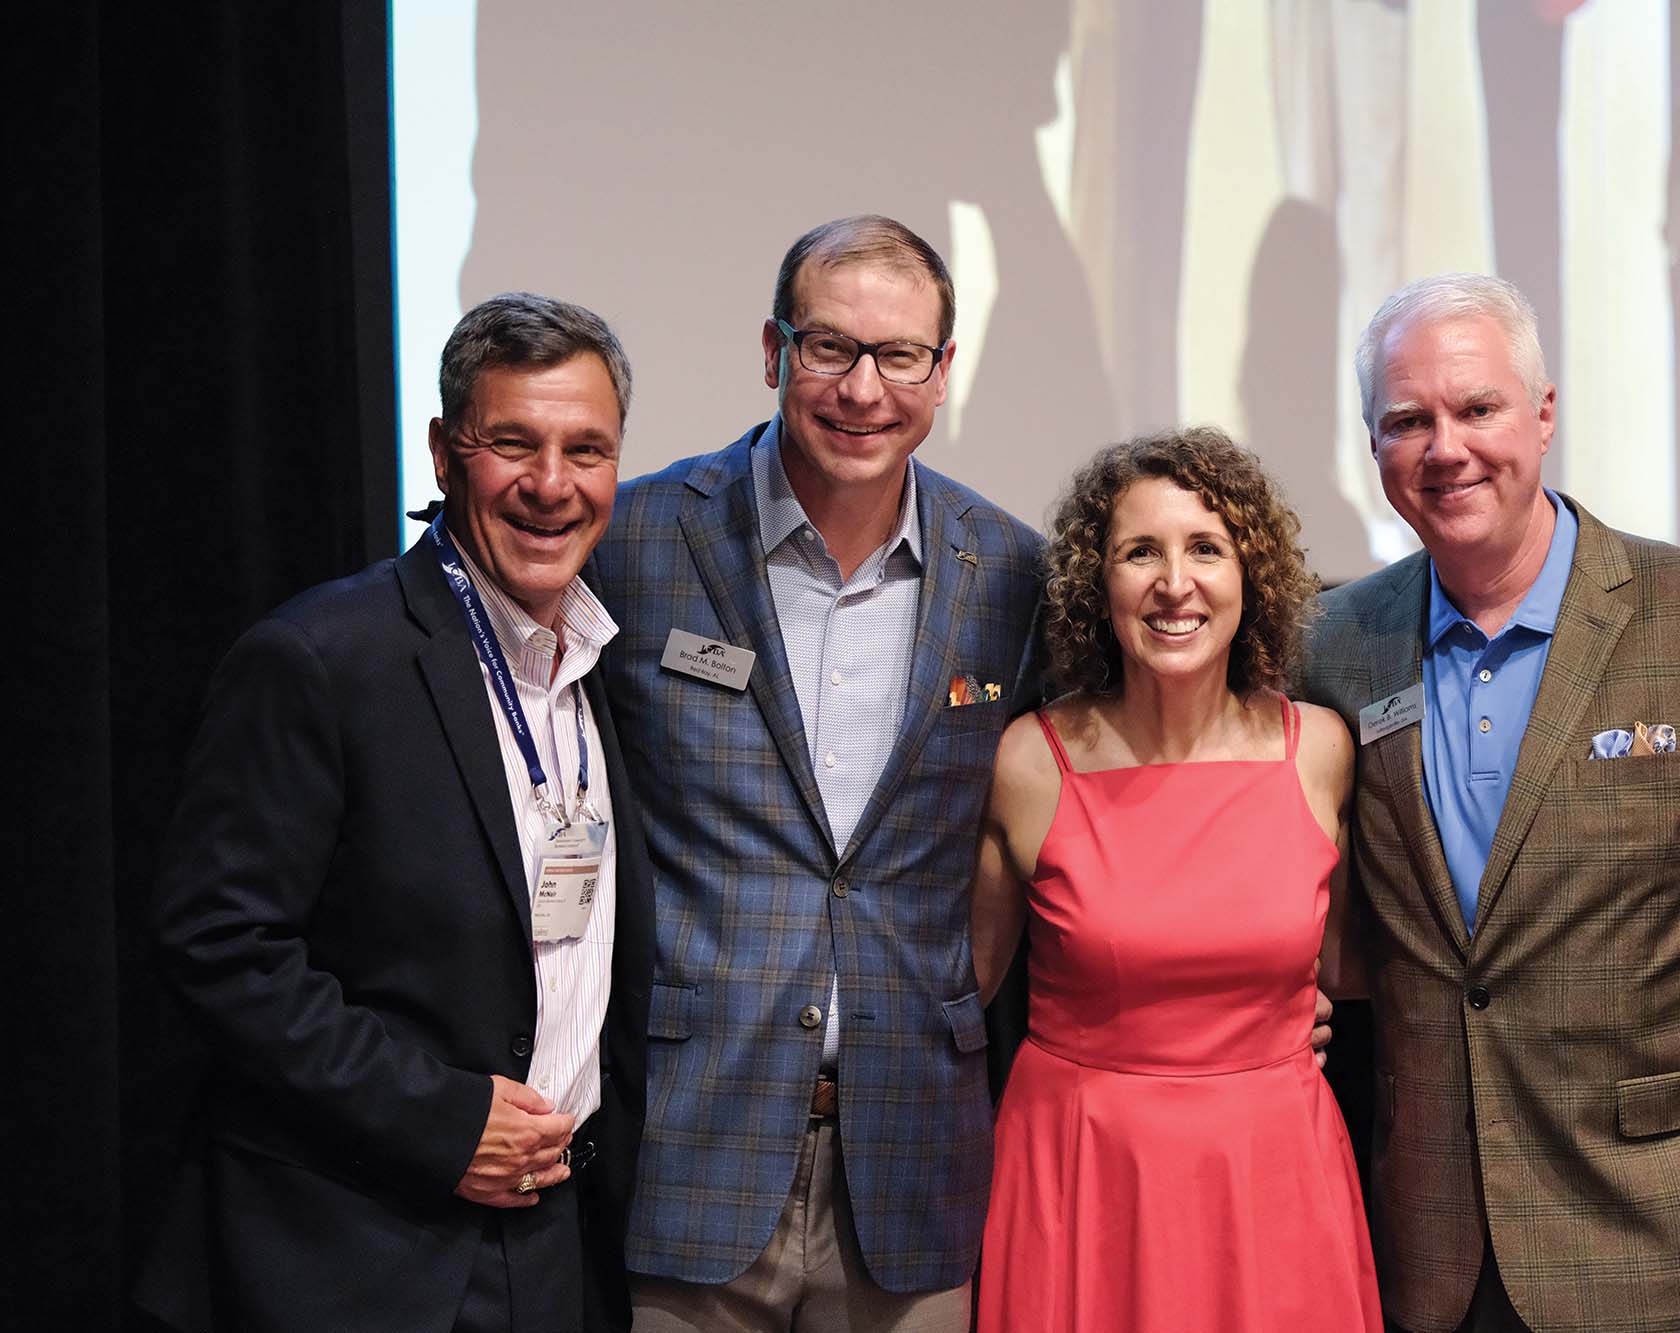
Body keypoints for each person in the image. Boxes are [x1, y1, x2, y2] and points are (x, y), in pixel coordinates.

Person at [1300, 273, 1680, 1333]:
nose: (1444, 447)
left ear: (1543, 415)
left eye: (1475, 409)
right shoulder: (1329, 645)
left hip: (1655, 1231)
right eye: (1406, 420)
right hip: (1428, 1235)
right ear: (1372, 447)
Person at [137, 293, 652, 1332]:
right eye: (513, 443)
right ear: (442, 453)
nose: (551, 485)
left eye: (585, 450)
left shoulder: (601, 668)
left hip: (556, 1246)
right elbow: (219, 947)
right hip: (357, 1253)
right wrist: (443, 1119)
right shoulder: (321, 659)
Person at [590, 216, 1046, 1330]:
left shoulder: (1010, 577)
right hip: (691, 1143)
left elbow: (1056, 830)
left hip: (913, 1156)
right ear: (773, 351)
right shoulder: (638, 541)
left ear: (942, 373)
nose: (861, 389)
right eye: (828, 347)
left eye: (899, 356)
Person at [971, 428, 1385, 1331]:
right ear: (1097, 582)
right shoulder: (1031, 762)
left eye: (1207, 547)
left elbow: (1347, 970)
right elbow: (966, 990)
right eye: (1139, 552)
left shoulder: (1319, 749)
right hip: (1081, 1173)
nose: (1175, 582)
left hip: (1275, 1174)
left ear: (1253, 575)